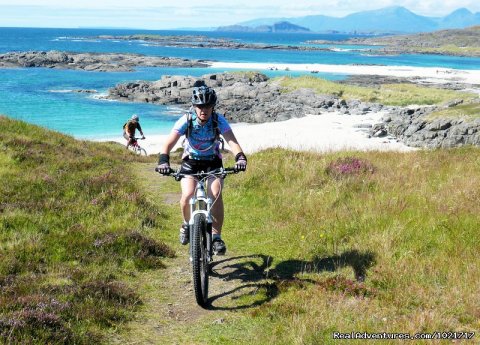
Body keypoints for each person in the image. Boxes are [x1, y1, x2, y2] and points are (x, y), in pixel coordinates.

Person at [156, 81, 247, 255]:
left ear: (213, 107)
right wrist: (163, 161)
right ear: (194, 106)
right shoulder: (187, 119)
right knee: (187, 195)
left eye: (208, 106)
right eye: (199, 106)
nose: (203, 110)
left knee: (215, 195)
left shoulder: (218, 120)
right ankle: (186, 224)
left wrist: (240, 157)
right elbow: (169, 142)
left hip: (213, 162)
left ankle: (216, 237)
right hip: (191, 162)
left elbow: (232, 141)